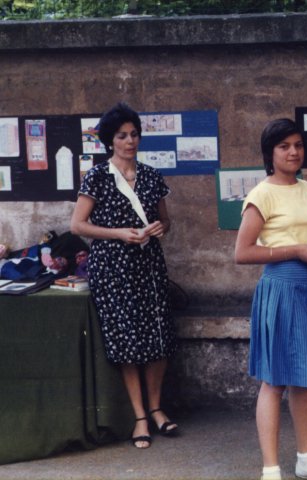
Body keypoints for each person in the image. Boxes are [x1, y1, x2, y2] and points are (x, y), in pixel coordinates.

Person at [235, 118, 307, 480]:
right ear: (270, 152)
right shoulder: (261, 194)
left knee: (305, 377)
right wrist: (296, 251)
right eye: (284, 146)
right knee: (275, 379)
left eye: (298, 145)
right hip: (282, 289)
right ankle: (271, 468)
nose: (293, 152)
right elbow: (243, 252)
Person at [70, 102, 178, 449]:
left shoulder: (150, 176)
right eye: (122, 136)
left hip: (149, 265)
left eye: (134, 135)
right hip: (114, 268)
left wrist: (160, 228)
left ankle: (158, 408)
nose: (130, 141)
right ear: (110, 141)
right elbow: (78, 225)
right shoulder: (97, 176)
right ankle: (140, 417)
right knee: (128, 341)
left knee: (158, 335)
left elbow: (166, 221)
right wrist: (120, 233)